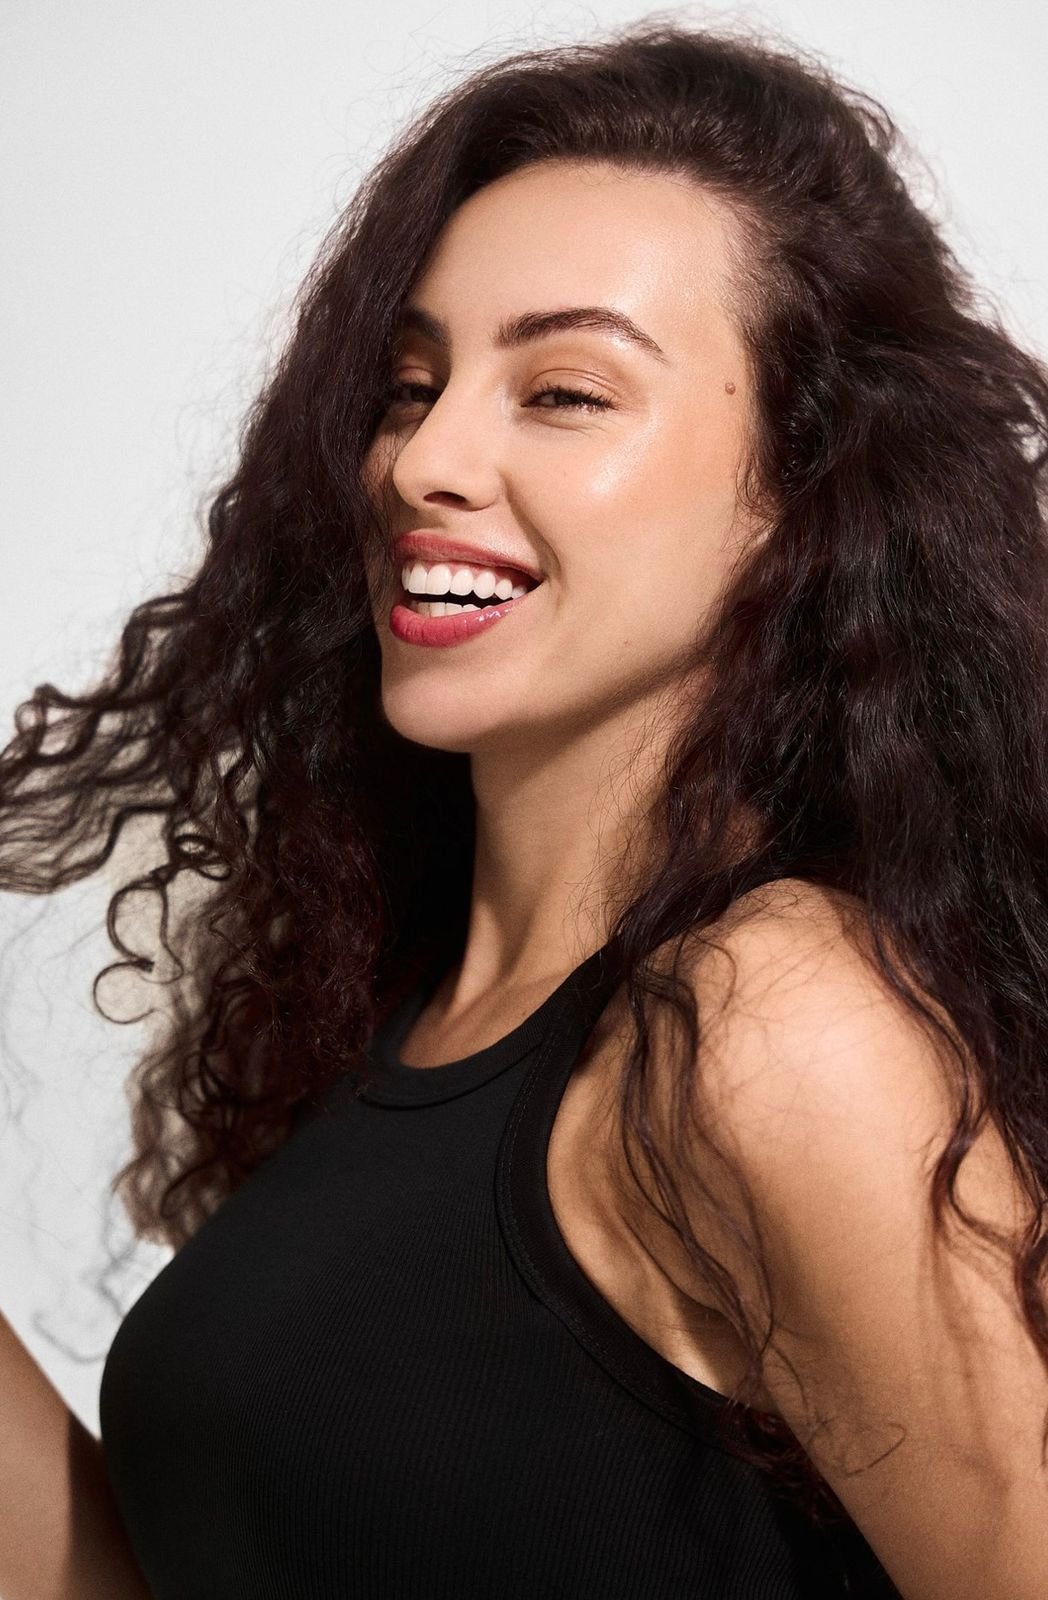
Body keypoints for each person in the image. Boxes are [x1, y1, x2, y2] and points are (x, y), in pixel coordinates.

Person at [2, 17, 1047, 1599]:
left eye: (563, 391)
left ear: (800, 497)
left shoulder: (768, 1022)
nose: (424, 458)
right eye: (409, 385)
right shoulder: (411, 1017)